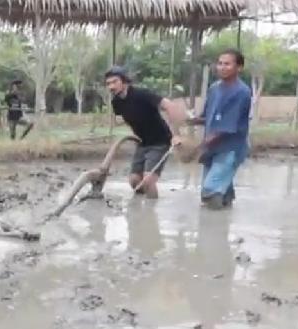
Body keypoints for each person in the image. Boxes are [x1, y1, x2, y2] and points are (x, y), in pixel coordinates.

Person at [182, 49, 252, 210]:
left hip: (229, 148)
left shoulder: (242, 92)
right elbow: (209, 117)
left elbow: (227, 126)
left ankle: (214, 230)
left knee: (210, 191)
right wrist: (193, 120)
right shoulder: (214, 88)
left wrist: (197, 147)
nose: (222, 67)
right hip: (212, 148)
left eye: (227, 64)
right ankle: (226, 211)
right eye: (220, 63)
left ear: (239, 67)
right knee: (215, 191)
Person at [105, 66, 188, 198]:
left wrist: (176, 134)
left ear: (124, 81)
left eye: (115, 82)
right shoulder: (116, 102)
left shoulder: (141, 94)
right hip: (142, 143)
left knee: (148, 180)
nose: (111, 86)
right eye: (108, 83)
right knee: (134, 181)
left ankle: (151, 211)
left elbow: (169, 106)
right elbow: (127, 118)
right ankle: (139, 212)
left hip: (160, 141)